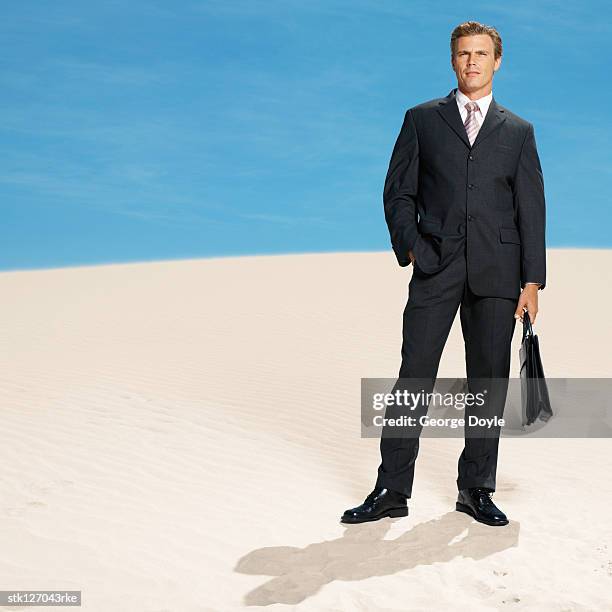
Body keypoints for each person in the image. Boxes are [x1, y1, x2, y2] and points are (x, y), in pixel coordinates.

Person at [342, 21, 546, 527]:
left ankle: (476, 489)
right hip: (435, 266)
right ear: (452, 61)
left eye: (481, 54)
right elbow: (397, 192)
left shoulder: (519, 131)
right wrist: (410, 246)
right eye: (463, 54)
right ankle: (391, 487)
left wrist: (532, 281)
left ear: (497, 61)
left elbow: (531, 209)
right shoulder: (421, 120)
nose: (472, 62)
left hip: (500, 274)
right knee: (413, 376)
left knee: (487, 384)